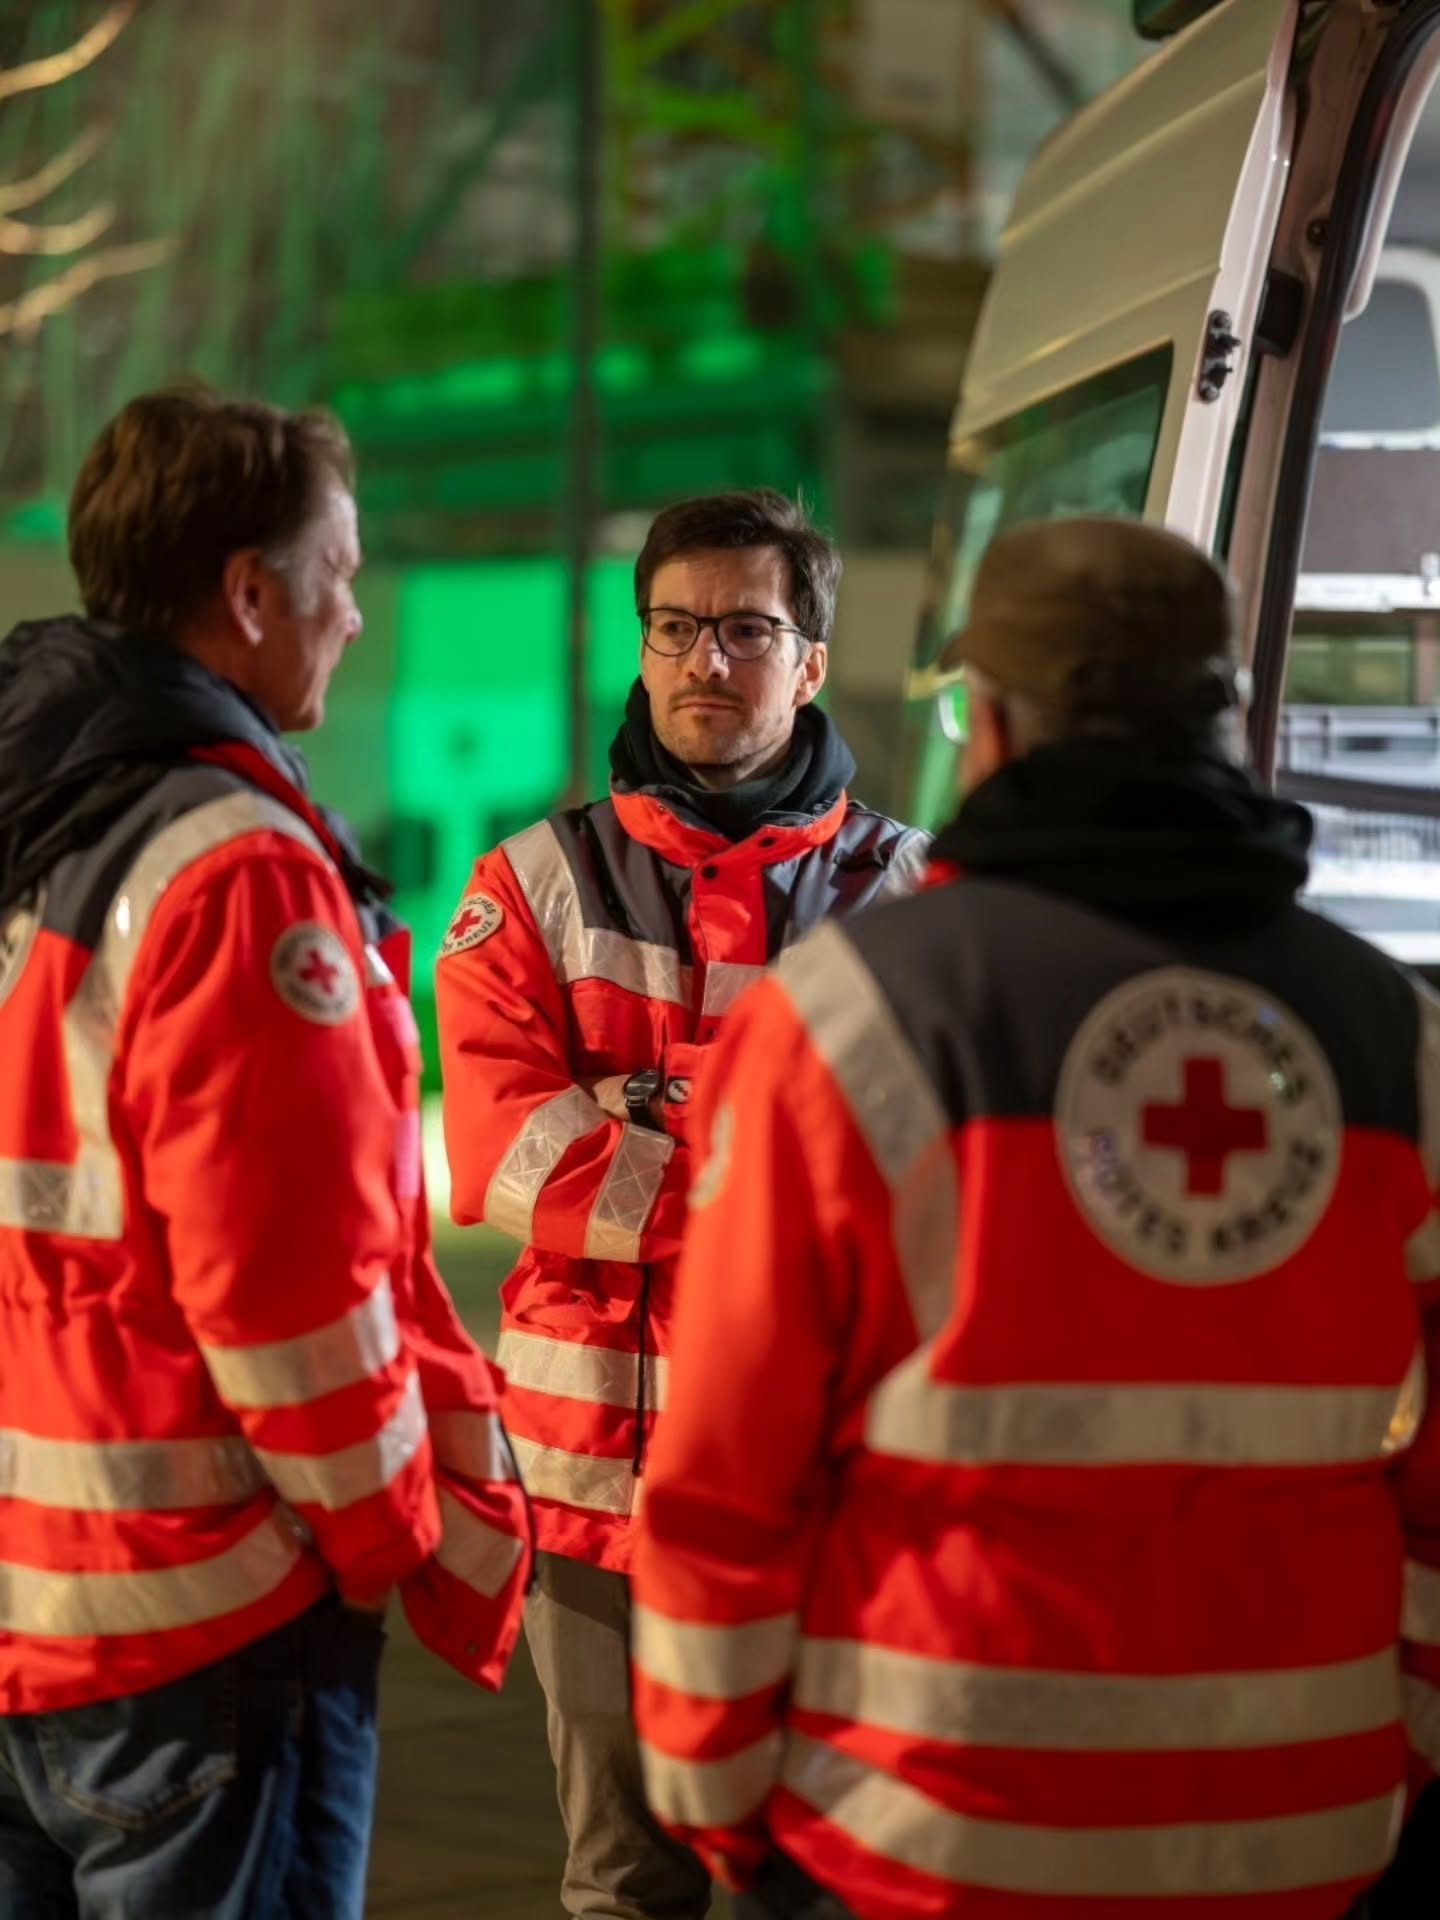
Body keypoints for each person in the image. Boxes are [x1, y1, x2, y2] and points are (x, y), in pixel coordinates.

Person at [630, 516, 1440, 1920]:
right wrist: (1393, 1750)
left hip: (927, 1832)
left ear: (991, 725)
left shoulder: (848, 1018)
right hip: (1306, 1835)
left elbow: (730, 1474)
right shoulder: (1398, 1039)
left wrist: (716, 1795)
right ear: (1230, 713)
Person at [0, 388, 531, 1920]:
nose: (354, 614)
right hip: (196, 1626)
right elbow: (290, 1289)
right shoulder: (234, 871)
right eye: (338, 572)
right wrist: (383, 1539)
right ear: (248, 593)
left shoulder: (36, 824)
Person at [436, 488, 929, 1918]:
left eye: (747, 630)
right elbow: (512, 1160)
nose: (706, 659)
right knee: (622, 1884)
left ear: (812, 660)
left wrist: (646, 1106)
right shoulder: (531, 885)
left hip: (829, 1489)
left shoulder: (909, 893)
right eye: (675, 627)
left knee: (819, 1877)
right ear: (642, 648)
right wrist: (779, 1150)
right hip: (593, 1486)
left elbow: (922, 1174)